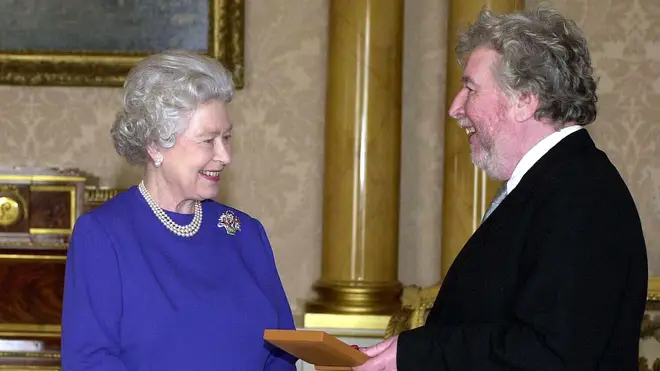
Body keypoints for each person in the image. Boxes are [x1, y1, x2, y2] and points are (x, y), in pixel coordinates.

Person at [355, 6, 647, 371]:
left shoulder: (581, 196)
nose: (455, 108)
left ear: (524, 99)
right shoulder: (549, 186)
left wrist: (418, 354)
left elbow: (552, 353)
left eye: (470, 89)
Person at [61, 50, 297, 370]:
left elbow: (282, 354)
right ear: (156, 145)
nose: (225, 155)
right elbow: (89, 361)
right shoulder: (104, 234)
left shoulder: (245, 232)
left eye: (227, 138)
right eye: (208, 140)